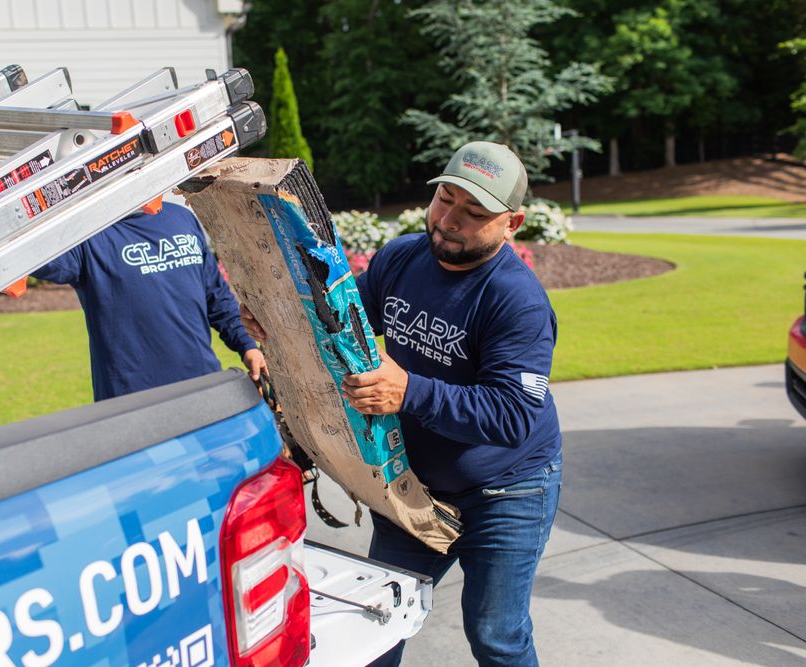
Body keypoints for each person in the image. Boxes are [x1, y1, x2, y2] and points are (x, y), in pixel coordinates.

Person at [241, 141, 562, 667]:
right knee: (374, 621)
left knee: (495, 635)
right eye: (445, 200)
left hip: (508, 490)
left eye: (474, 212)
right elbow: (342, 332)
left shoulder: (516, 301)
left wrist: (409, 390)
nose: (450, 220)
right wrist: (277, 329)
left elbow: (513, 415)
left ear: (513, 223)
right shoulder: (402, 257)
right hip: (413, 486)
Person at [33, 200, 266, 401]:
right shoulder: (86, 234)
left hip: (203, 385)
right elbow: (32, 256)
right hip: (131, 402)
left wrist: (246, 345)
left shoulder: (182, 218)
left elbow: (216, 296)